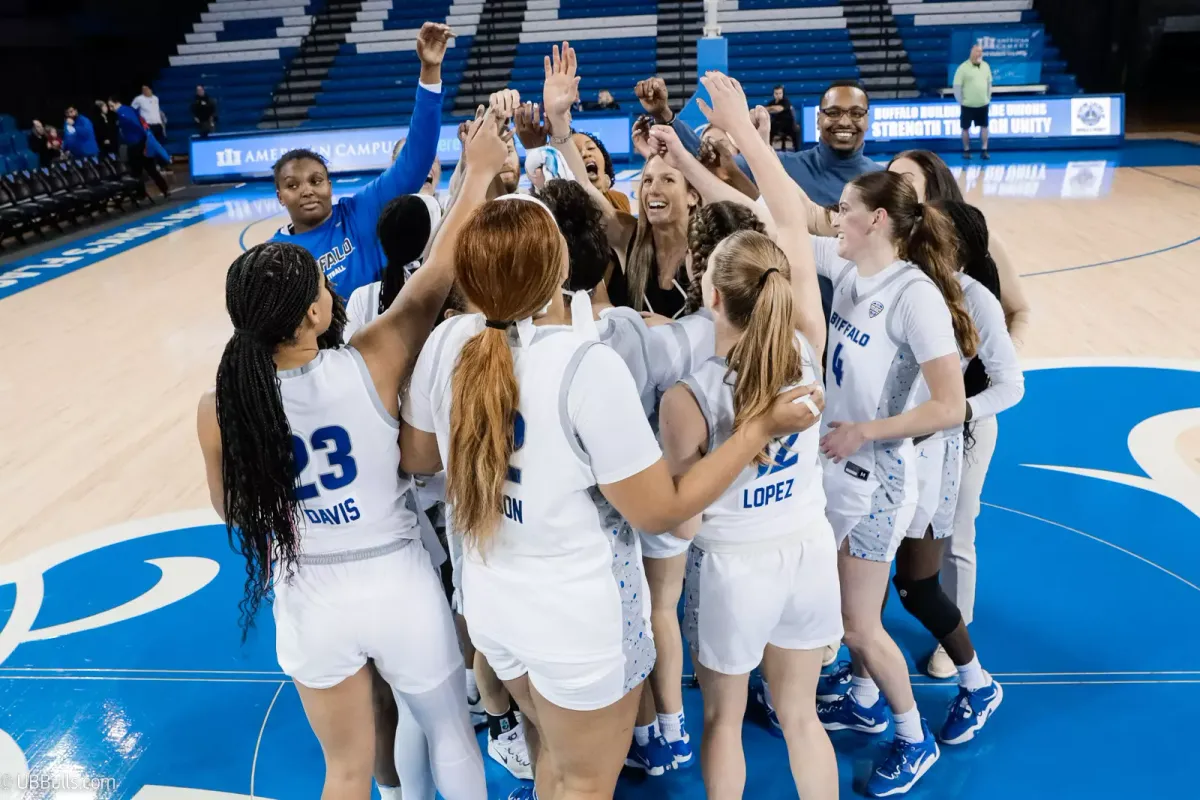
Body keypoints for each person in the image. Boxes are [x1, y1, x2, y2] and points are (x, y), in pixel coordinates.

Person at [399, 191, 823, 800]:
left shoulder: (449, 344)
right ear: (557, 268)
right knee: (585, 783)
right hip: (576, 619)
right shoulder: (585, 366)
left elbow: (416, 459)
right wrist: (758, 428)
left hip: (494, 602)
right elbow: (662, 509)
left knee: (549, 755)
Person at [194, 113, 507, 800]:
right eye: (320, 290)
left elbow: (232, 510)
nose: (331, 294)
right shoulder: (370, 359)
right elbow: (435, 273)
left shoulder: (219, 404)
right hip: (394, 578)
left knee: (344, 771)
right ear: (312, 314)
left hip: (308, 593)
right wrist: (478, 172)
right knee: (452, 735)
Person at [803, 166, 980, 797]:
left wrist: (865, 431)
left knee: (860, 624)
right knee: (847, 612)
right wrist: (726, 145)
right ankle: (868, 703)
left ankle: (913, 737)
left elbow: (950, 405)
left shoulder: (915, 296)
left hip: (878, 478)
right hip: (843, 468)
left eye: (844, 206)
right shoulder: (852, 266)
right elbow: (780, 210)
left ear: (877, 219)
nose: (832, 215)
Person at [270, 22, 453, 297]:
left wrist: (429, 71)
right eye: (293, 185)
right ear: (280, 196)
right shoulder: (275, 256)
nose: (307, 190)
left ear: (330, 186)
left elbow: (416, 158)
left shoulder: (362, 210)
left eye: (316, 180)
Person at [108, 98, 170, 197]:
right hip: (142, 143)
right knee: (150, 169)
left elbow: (134, 126)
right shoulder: (130, 109)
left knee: (136, 172)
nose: (111, 109)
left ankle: (141, 193)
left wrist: (137, 139)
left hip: (136, 145)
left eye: (112, 106)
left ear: (117, 103)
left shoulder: (122, 113)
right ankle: (164, 189)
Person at [954, 44, 992, 160]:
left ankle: (984, 150)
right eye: (976, 51)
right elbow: (957, 86)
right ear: (971, 53)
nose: (979, 54)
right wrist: (960, 101)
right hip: (968, 104)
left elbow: (989, 83)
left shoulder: (986, 66)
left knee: (984, 126)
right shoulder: (963, 68)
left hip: (983, 103)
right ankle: (966, 150)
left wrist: (988, 98)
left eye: (980, 51)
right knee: (965, 128)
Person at [765, 85, 797, 151]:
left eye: (780, 93)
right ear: (774, 94)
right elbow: (765, 109)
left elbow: (779, 109)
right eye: (776, 93)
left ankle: (796, 149)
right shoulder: (771, 102)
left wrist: (771, 108)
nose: (778, 95)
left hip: (788, 124)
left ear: (782, 93)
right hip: (776, 124)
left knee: (795, 131)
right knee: (768, 129)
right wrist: (772, 108)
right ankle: (768, 149)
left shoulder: (786, 101)